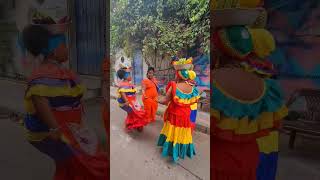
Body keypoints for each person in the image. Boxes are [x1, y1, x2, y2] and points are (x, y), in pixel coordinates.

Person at [21, 25, 108, 179]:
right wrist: (55, 130)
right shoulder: (44, 74)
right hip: (51, 132)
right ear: (53, 51)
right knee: (89, 164)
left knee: (71, 166)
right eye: (64, 45)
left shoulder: (60, 72)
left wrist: (103, 87)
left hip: (68, 129)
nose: (68, 49)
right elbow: (41, 101)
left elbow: (72, 98)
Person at [211, 24, 288, 180]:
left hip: (218, 161)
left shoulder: (213, 82)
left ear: (218, 51)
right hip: (249, 160)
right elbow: (276, 126)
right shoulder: (268, 88)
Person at [157, 57, 200, 162]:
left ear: (178, 74)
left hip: (174, 115)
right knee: (181, 133)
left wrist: (156, 99)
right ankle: (179, 152)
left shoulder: (174, 86)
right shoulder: (193, 88)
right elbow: (195, 102)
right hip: (186, 116)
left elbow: (165, 100)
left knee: (172, 132)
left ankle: (171, 151)